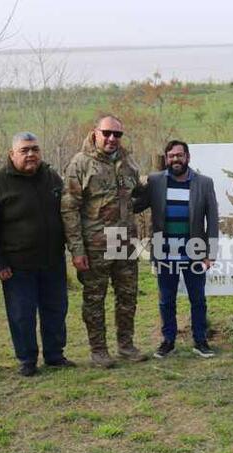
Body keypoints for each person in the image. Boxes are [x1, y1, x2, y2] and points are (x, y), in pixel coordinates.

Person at [60, 115, 148, 368]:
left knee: (127, 296)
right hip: (95, 245)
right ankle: (99, 350)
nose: (112, 139)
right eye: (107, 133)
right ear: (95, 132)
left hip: (123, 241)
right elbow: (69, 210)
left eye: (117, 134)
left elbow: (135, 195)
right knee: (95, 299)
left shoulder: (127, 162)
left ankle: (126, 345)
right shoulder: (80, 164)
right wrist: (77, 250)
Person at [0, 132, 73, 377]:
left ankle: (55, 355)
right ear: (12, 154)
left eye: (35, 149)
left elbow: (67, 215)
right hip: (16, 265)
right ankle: (27, 359)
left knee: (56, 310)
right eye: (24, 150)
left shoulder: (51, 177)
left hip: (52, 260)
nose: (31, 154)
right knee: (22, 315)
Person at [134, 140, 219, 359]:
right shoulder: (155, 182)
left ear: (188, 157)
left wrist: (211, 253)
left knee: (197, 299)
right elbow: (136, 205)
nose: (175, 159)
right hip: (165, 251)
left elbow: (213, 220)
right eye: (171, 156)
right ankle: (168, 341)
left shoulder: (204, 183)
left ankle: (200, 341)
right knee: (166, 299)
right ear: (166, 158)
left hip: (195, 251)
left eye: (179, 155)